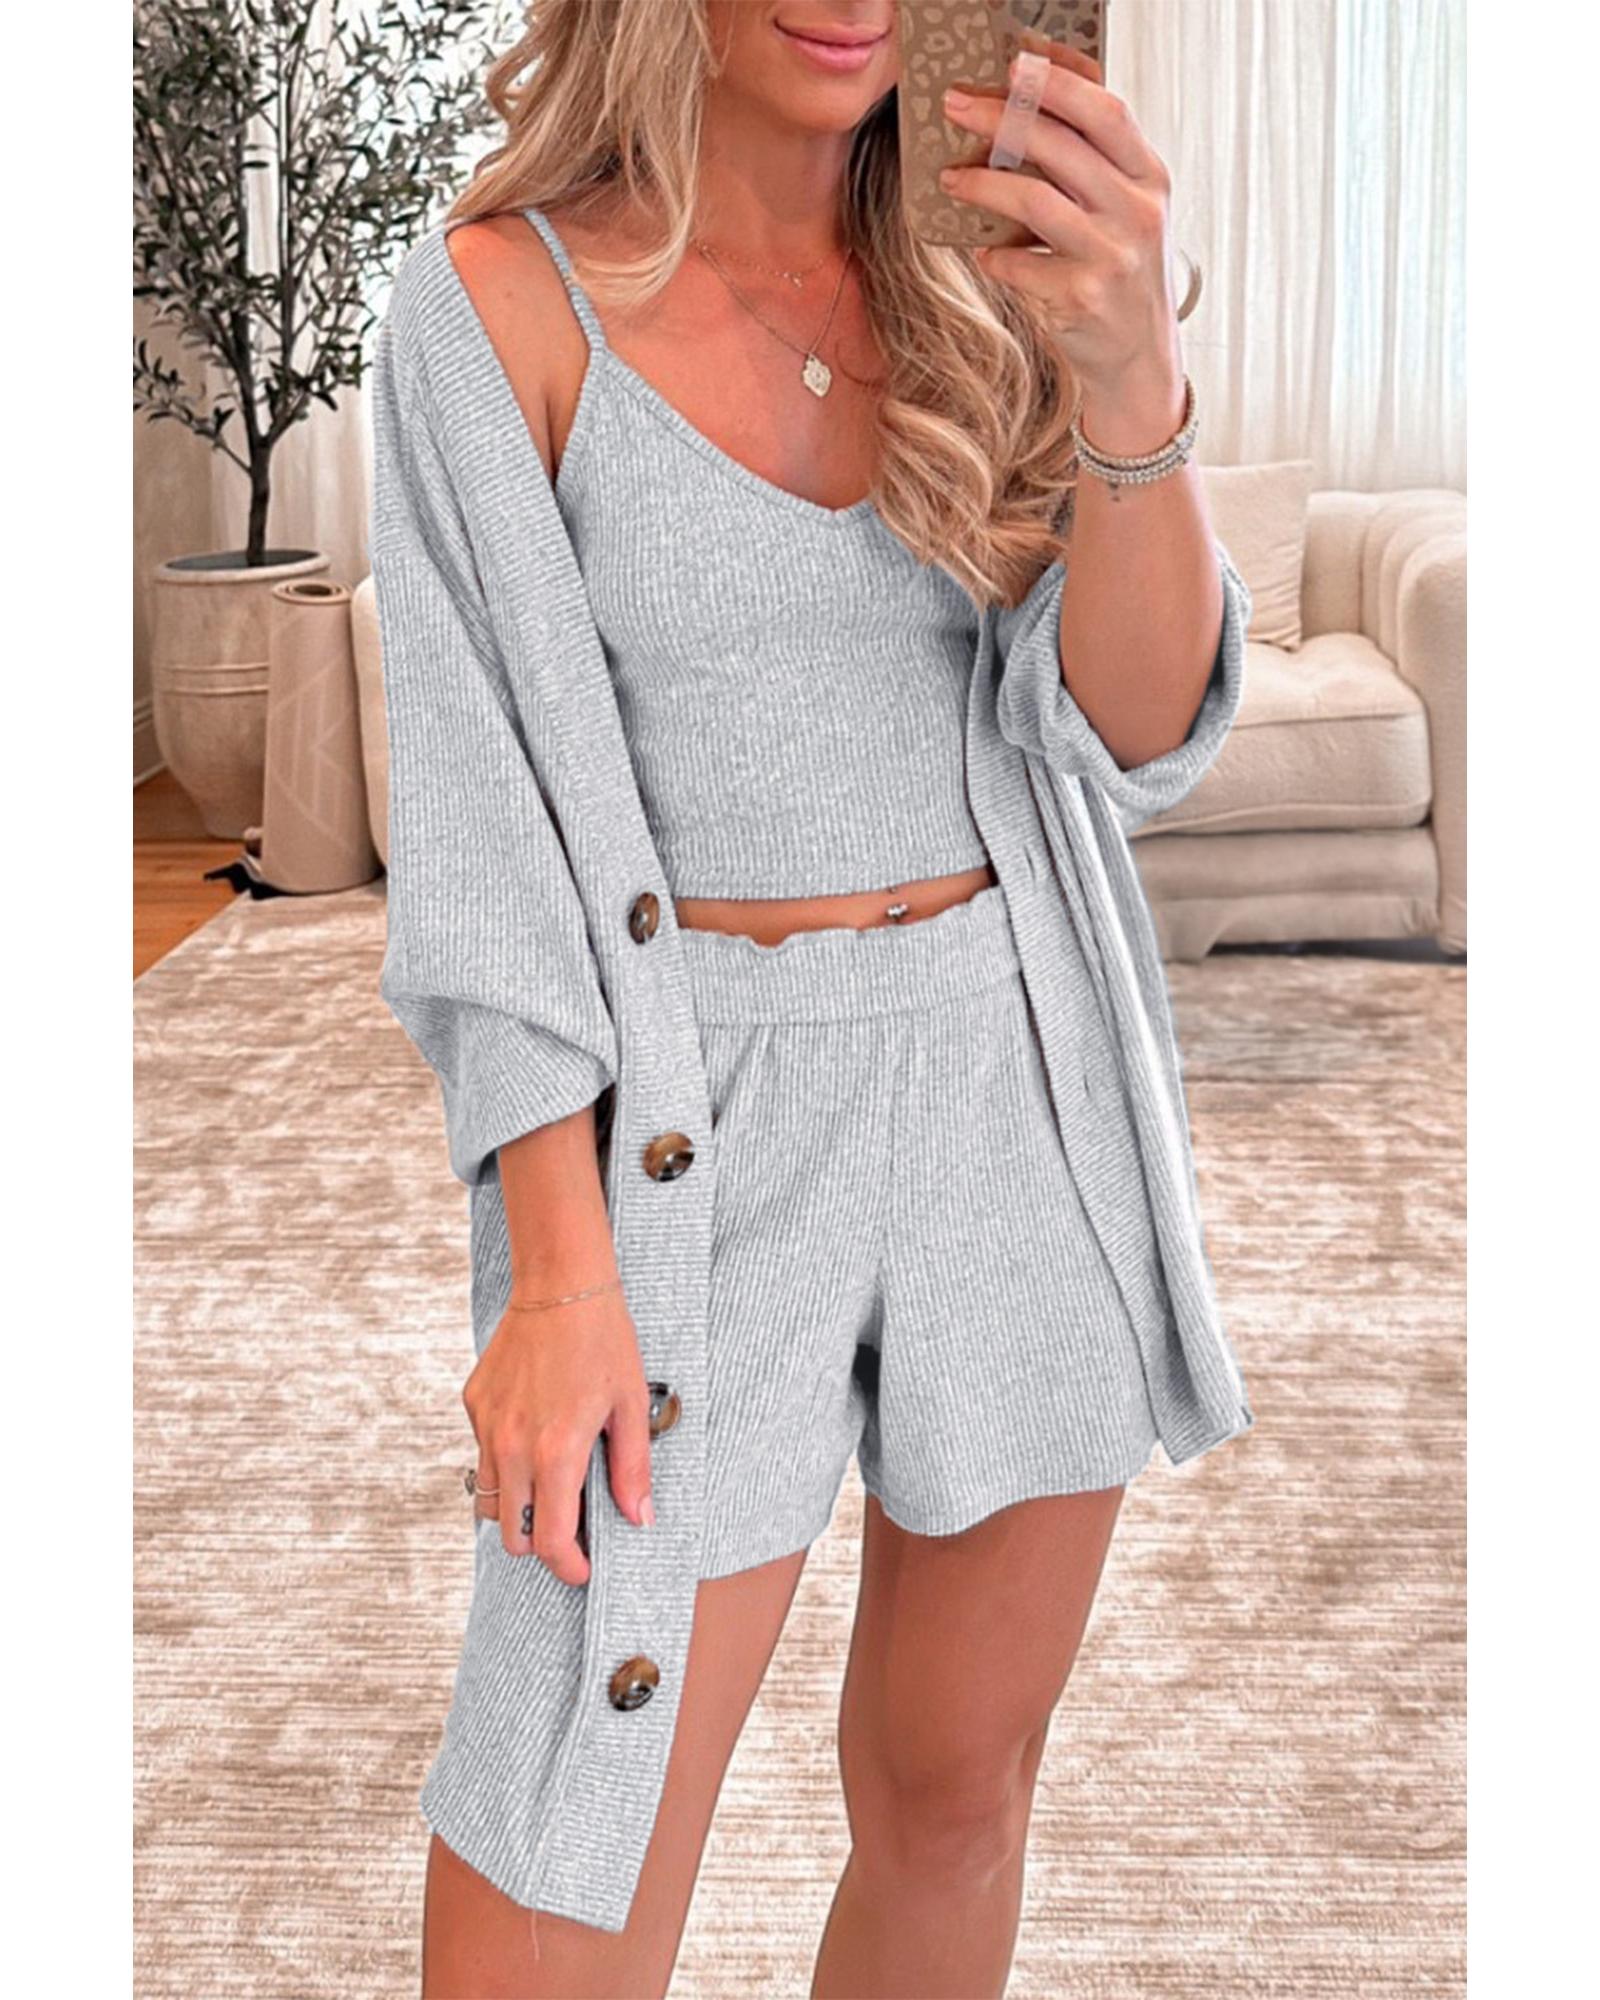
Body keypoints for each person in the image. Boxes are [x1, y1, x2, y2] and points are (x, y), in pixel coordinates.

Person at [367, 5, 1256, 1994]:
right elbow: (488, 844)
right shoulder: (497, 306)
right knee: (562, 1839)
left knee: (955, 1795)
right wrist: (557, 1279)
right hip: (691, 1134)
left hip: (1017, 1093)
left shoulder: (1000, 279)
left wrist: (1129, 376)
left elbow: (1130, 733)